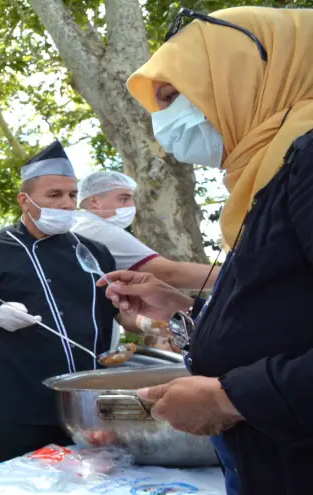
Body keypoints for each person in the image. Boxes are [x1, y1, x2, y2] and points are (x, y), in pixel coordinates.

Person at [101, 7, 313, 494]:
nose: (167, 122)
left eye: (176, 96)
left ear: (251, 75)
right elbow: (286, 315)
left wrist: (228, 398)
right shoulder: (268, 176)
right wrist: (184, 311)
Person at [0, 141, 138, 464]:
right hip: (18, 409)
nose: (67, 204)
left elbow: (121, 314)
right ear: (24, 200)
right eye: (54, 195)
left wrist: (148, 322)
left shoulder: (94, 251)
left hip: (90, 404)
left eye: (71, 195)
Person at [73, 170, 218, 289]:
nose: (131, 205)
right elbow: (170, 274)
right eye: (124, 198)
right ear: (94, 201)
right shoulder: (98, 230)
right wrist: (234, 275)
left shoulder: (81, 226)